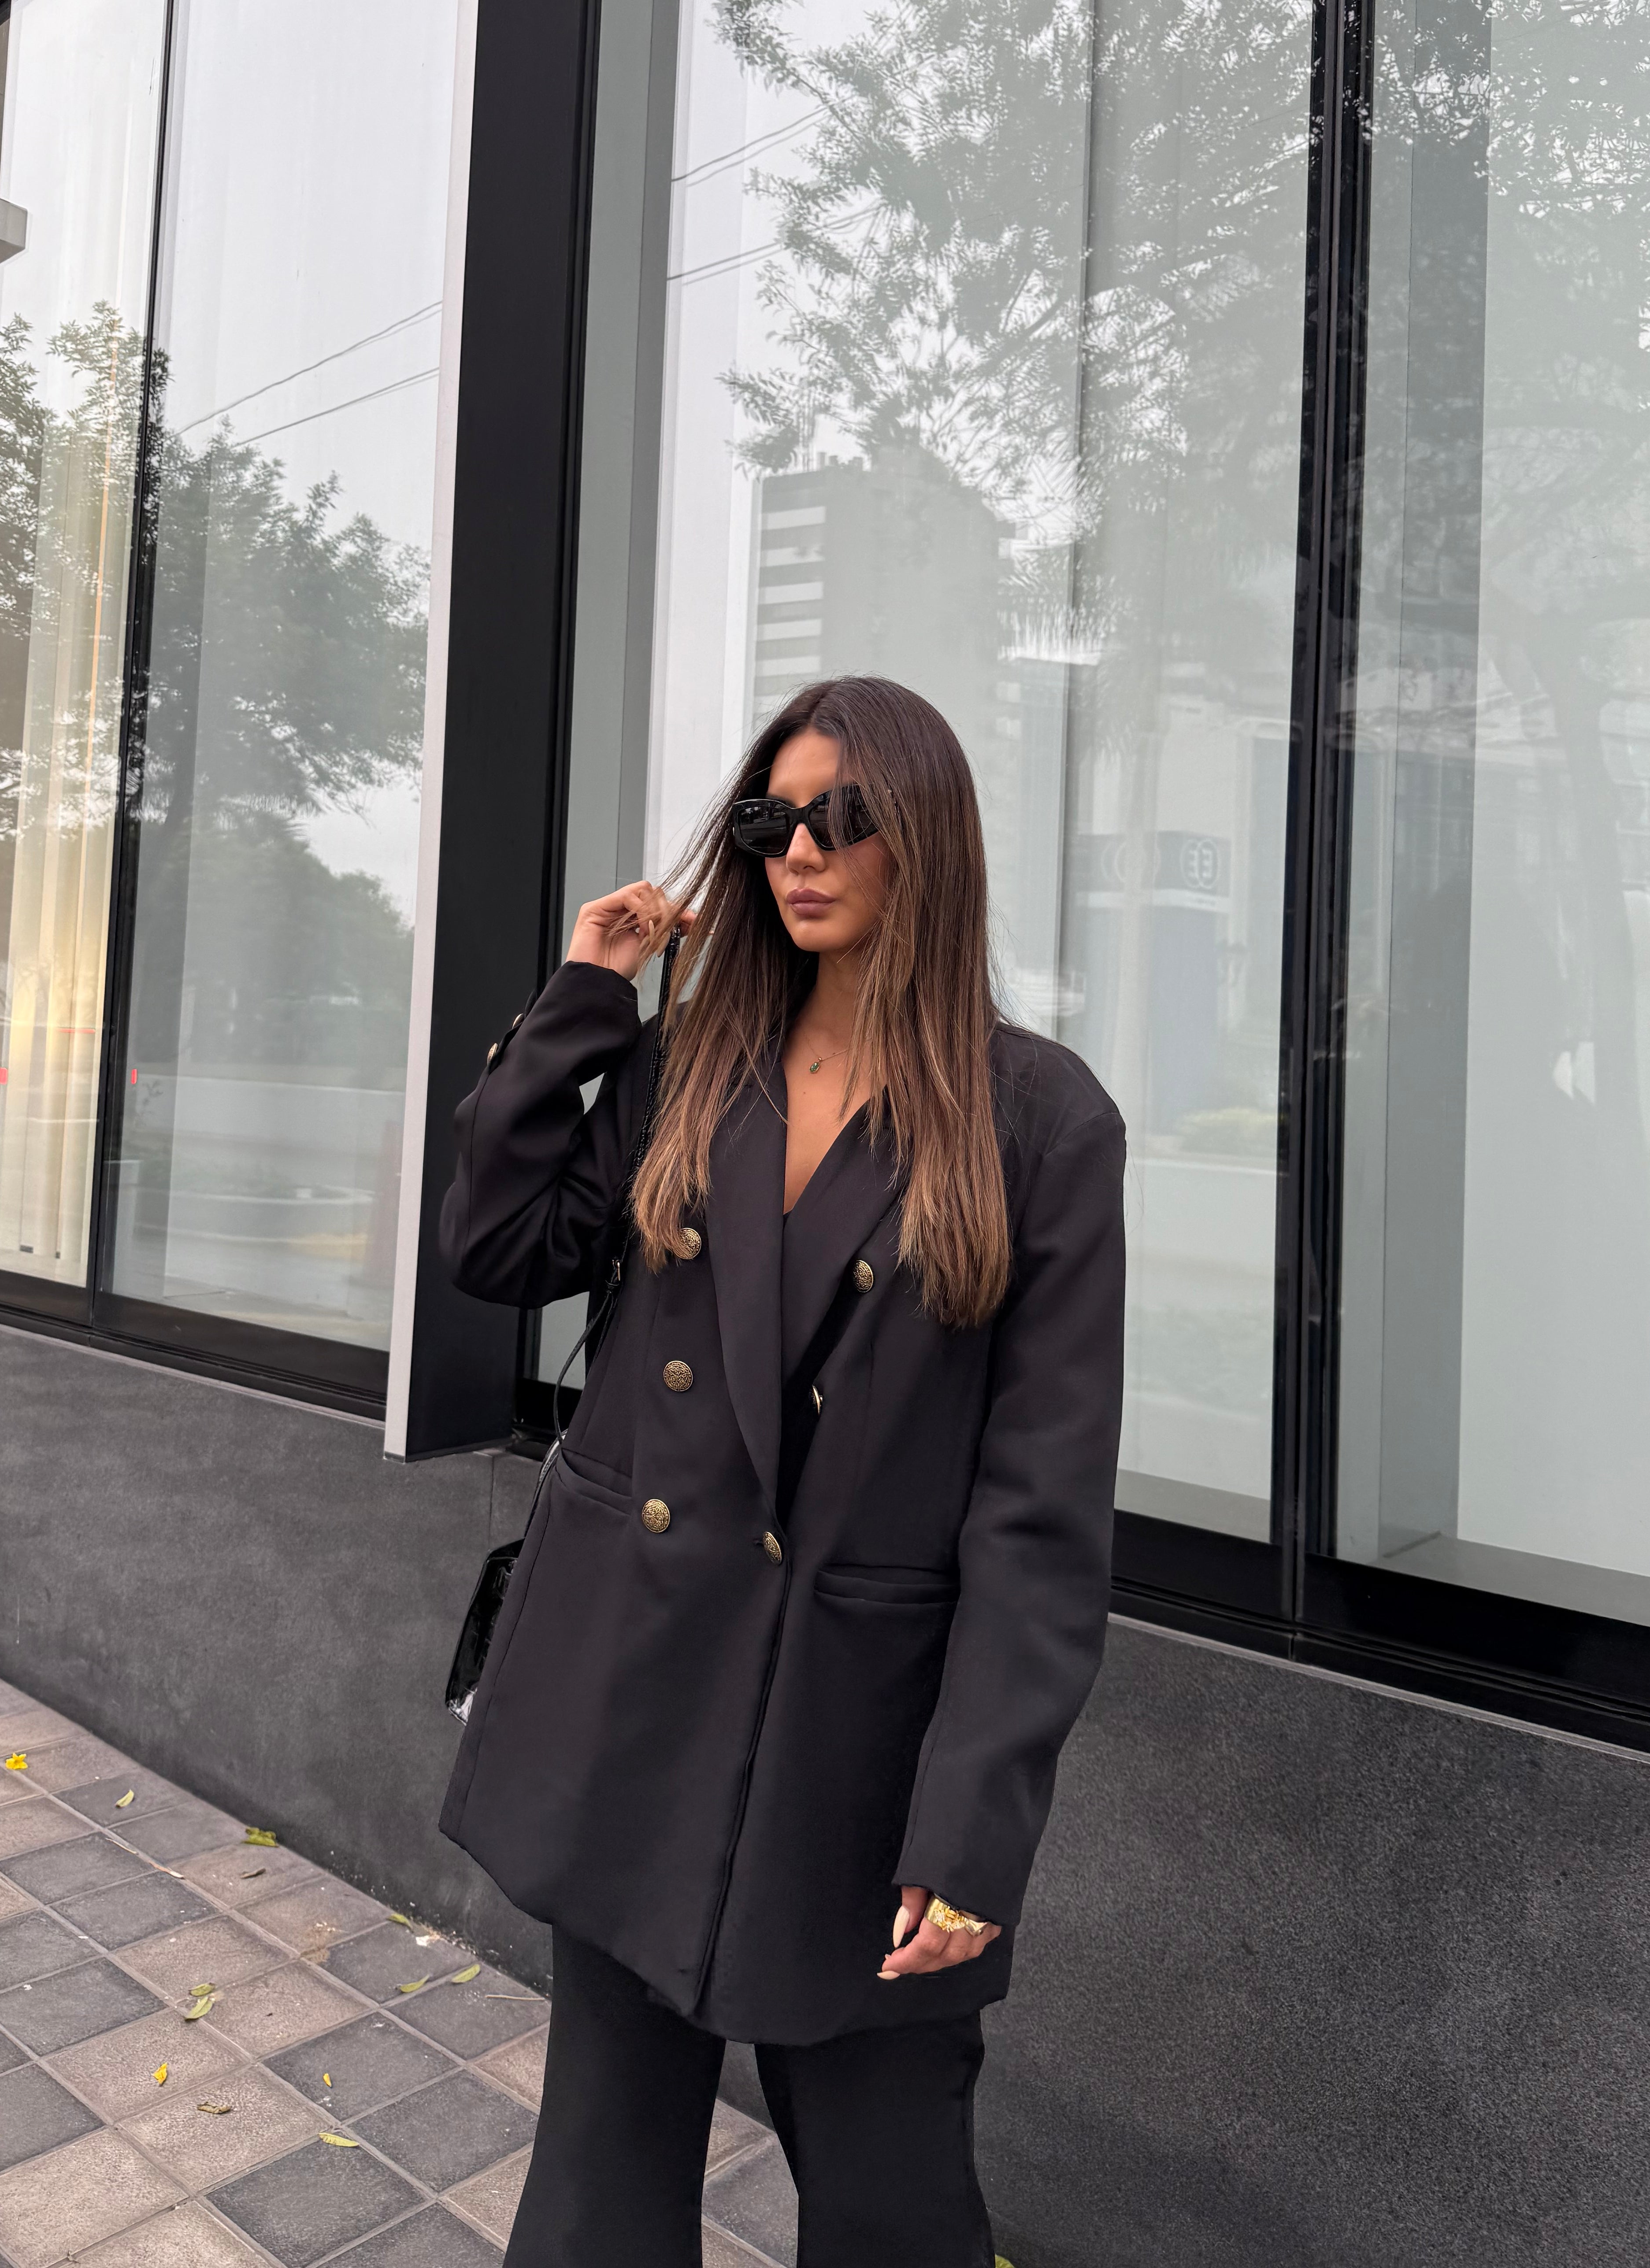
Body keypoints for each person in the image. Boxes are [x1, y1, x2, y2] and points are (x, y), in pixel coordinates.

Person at [439, 675, 1126, 2268]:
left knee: (892, 2194)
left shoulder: (1035, 1120)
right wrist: (583, 994)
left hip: (853, 1744)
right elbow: (500, 1249)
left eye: (841, 817)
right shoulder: (691, 1059)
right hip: (634, 1694)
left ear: (924, 836)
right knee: (602, 2184)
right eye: (769, 821)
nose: (799, 851)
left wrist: (973, 1825)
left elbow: (1039, 1512)